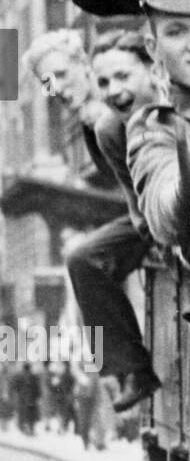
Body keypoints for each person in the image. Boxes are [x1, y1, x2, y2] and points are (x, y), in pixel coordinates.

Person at [23, 30, 160, 412]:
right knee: (83, 260)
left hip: (163, 204)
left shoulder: (108, 110)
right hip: (144, 209)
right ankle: (126, 369)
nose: (58, 89)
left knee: (84, 258)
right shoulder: (89, 120)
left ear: (85, 65)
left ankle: (130, 369)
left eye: (63, 74)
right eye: (48, 82)